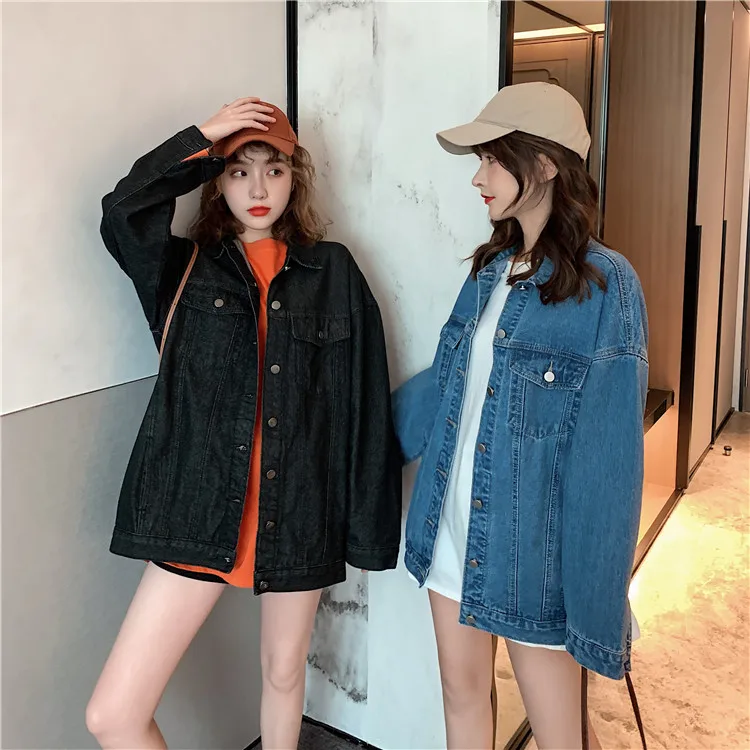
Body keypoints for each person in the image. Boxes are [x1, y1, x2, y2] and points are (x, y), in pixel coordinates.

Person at [86, 97, 401, 750]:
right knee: (113, 714)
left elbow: (365, 406)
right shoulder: (181, 267)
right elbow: (121, 212)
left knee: (284, 674)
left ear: (296, 178)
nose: (258, 190)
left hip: (301, 510)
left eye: (274, 170)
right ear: (215, 181)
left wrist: (368, 536)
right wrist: (202, 139)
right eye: (238, 171)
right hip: (197, 509)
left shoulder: (333, 271)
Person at [393, 82, 648, 750]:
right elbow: (446, 388)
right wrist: (351, 432)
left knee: (561, 736)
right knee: (463, 702)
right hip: (449, 529)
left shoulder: (605, 284)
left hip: (534, 555)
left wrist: (598, 601)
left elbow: (610, 461)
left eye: (492, 159)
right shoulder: (489, 271)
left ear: (544, 163)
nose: (477, 178)